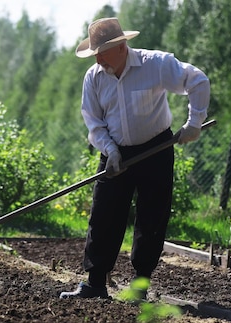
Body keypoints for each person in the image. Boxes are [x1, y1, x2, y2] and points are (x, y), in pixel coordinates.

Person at [60, 17, 210, 299]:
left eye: (102, 51)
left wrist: (194, 123)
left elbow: (198, 80)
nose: (99, 58)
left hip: (156, 149)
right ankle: (95, 284)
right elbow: (94, 123)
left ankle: (140, 285)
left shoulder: (155, 64)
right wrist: (110, 150)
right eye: (96, 53)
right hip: (115, 152)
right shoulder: (93, 78)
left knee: (152, 218)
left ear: (121, 46)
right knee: (104, 214)